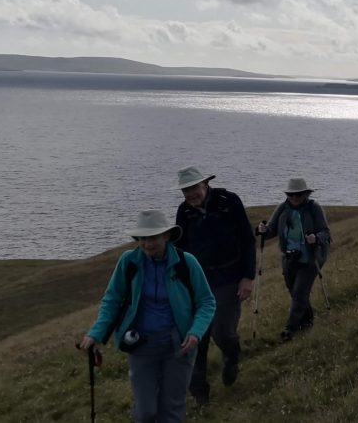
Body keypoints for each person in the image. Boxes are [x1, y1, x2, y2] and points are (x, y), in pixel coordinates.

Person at [79, 210, 216, 423]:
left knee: (171, 410)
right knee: (145, 412)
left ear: (166, 236)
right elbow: (112, 300)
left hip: (178, 345)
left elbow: (207, 301)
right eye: (142, 238)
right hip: (141, 346)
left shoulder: (186, 262)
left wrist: (196, 332)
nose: (146, 244)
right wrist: (96, 333)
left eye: (152, 237)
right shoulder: (129, 261)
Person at [172, 165, 254, 407]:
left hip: (229, 278)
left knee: (222, 331)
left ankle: (232, 354)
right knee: (196, 336)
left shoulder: (230, 201)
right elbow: (181, 248)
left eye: (193, 188)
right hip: (197, 282)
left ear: (205, 184)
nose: (190, 194)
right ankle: (199, 393)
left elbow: (247, 240)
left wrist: (247, 277)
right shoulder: (184, 212)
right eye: (185, 190)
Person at [258, 178, 331, 342]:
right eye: (291, 195)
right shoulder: (283, 208)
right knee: (295, 291)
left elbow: (325, 232)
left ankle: (290, 329)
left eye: (298, 195)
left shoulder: (314, 208)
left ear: (305, 194)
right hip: (289, 258)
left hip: (311, 258)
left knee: (299, 292)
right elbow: (271, 230)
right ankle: (308, 320)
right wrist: (263, 230)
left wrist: (316, 237)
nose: (295, 198)